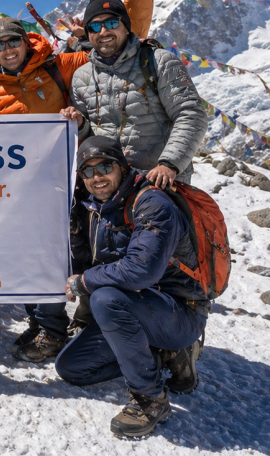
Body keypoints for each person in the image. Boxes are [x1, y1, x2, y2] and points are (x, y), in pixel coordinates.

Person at [0, 0, 154, 362]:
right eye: (0, 47)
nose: (8, 51)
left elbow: (132, 21)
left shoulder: (61, 65)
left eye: (13, 42)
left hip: (78, 181)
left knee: (80, 253)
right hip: (24, 189)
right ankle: (46, 325)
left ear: (25, 42)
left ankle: (85, 324)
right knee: (32, 256)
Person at [55, 136, 208, 438]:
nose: (96, 177)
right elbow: (88, 260)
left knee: (105, 298)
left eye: (105, 166)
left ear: (122, 167)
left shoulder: (152, 202)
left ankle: (150, 398)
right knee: (72, 368)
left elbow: (141, 270)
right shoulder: (92, 206)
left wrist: (83, 283)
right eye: (87, 171)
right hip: (135, 308)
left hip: (180, 311)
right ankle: (163, 354)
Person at [62, 0, 207, 186]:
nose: (103, 31)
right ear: (87, 33)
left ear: (126, 26)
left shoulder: (158, 61)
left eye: (111, 23)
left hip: (160, 183)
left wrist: (169, 164)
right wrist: (81, 124)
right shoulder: (82, 76)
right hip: (109, 187)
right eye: (94, 25)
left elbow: (191, 113)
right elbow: (91, 133)